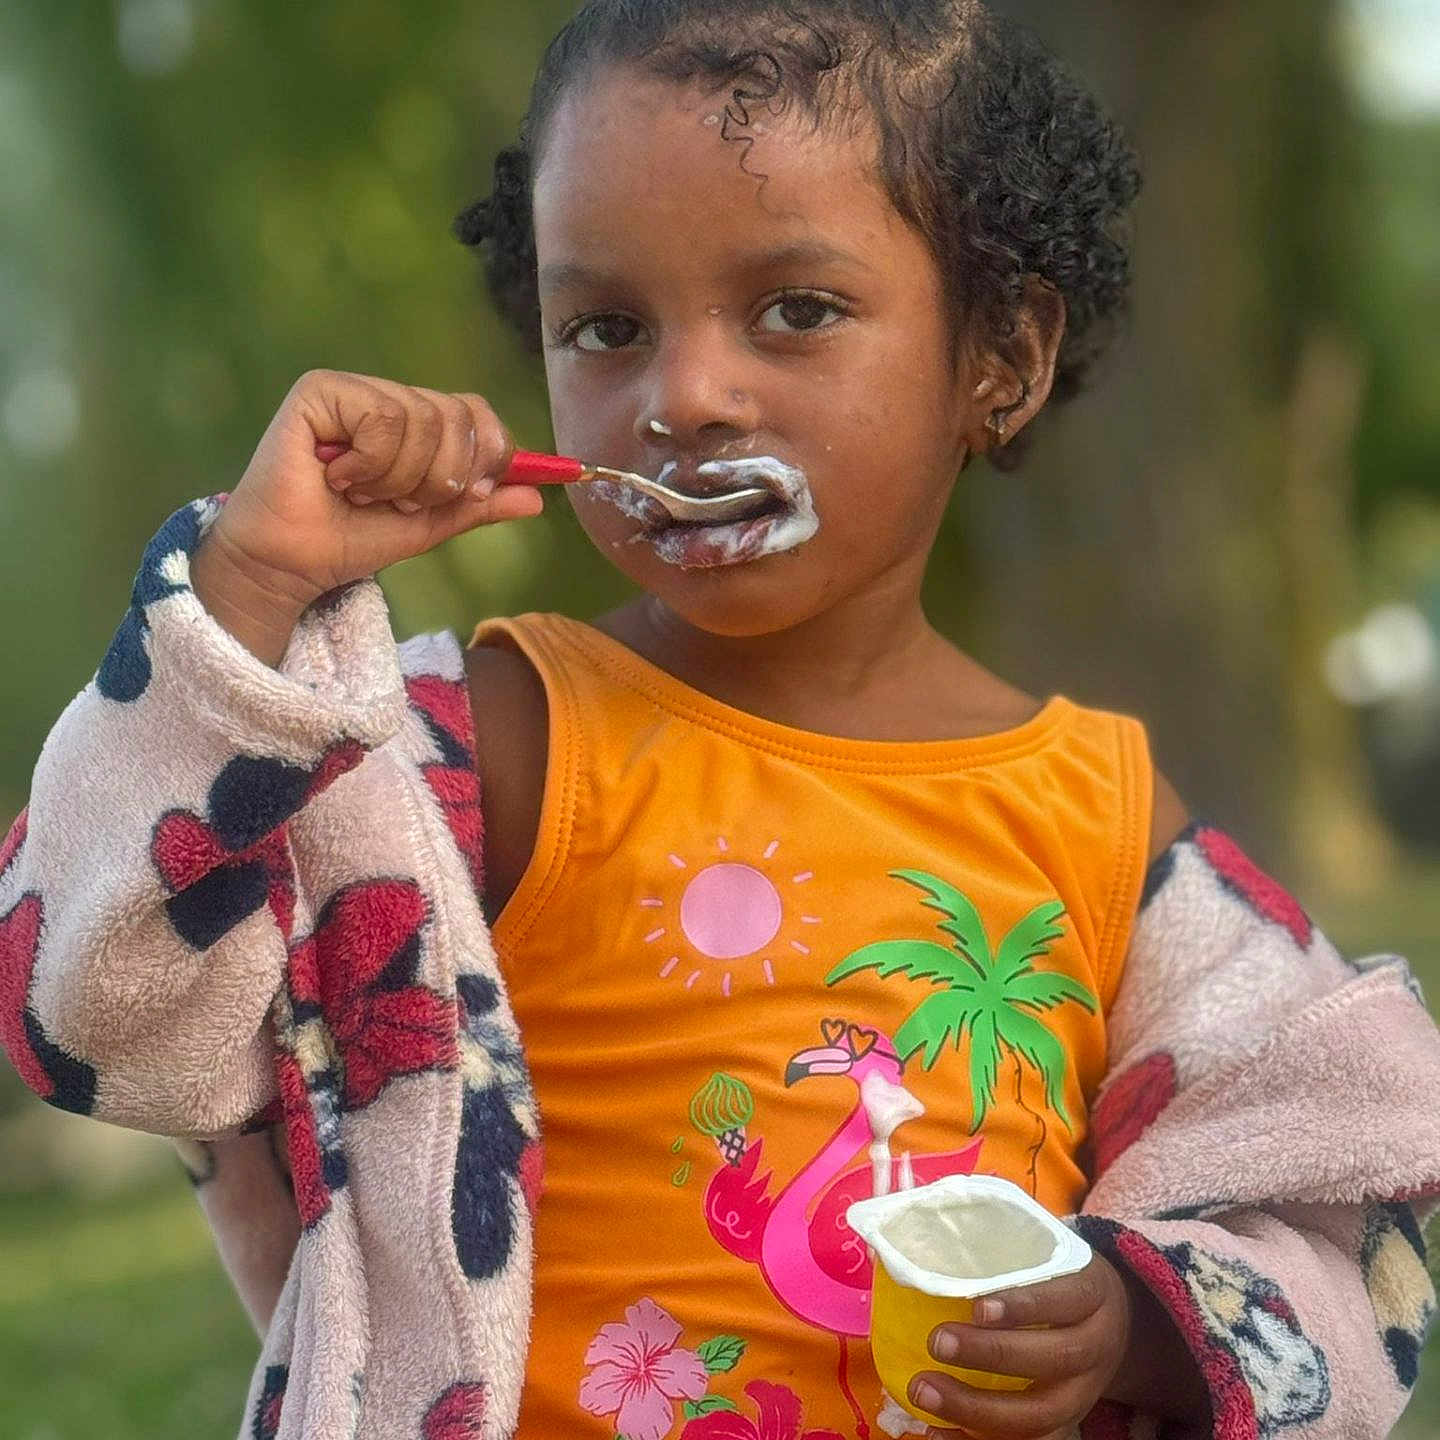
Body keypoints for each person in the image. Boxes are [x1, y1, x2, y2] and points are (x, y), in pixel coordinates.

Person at [2, 3, 1437, 1438]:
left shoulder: (1106, 815)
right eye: (608, 327)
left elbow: (1331, 1169)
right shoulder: (470, 741)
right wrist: (250, 594)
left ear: (1001, 354)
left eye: (795, 310)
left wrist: (1134, 1328)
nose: (682, 396)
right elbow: (97, 1012)